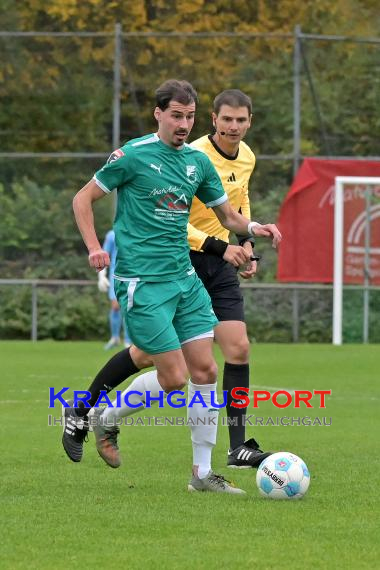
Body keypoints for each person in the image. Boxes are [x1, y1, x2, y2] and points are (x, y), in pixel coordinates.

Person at [63, 79, 281, 494]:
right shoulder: (132, 156)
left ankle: (201, 475)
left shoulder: (197, 165)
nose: (184, 124)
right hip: (143, 283)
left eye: (189, 116)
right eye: (176, 115)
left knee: (206, 370)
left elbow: (229, 217)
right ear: (158, 114)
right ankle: (101, 417)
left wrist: (254, 229)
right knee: (174, 377)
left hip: (185, 280)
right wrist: (94, 248)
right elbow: (82, 198)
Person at [98, 229, 132, 349]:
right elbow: (103, 253)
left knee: (129, 307)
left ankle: (129, 340)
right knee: (116, 306)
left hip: (133, 275)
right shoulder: (112, 235)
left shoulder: (136, 231)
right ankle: (115, 337)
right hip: (115, 275)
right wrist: (101, 275)